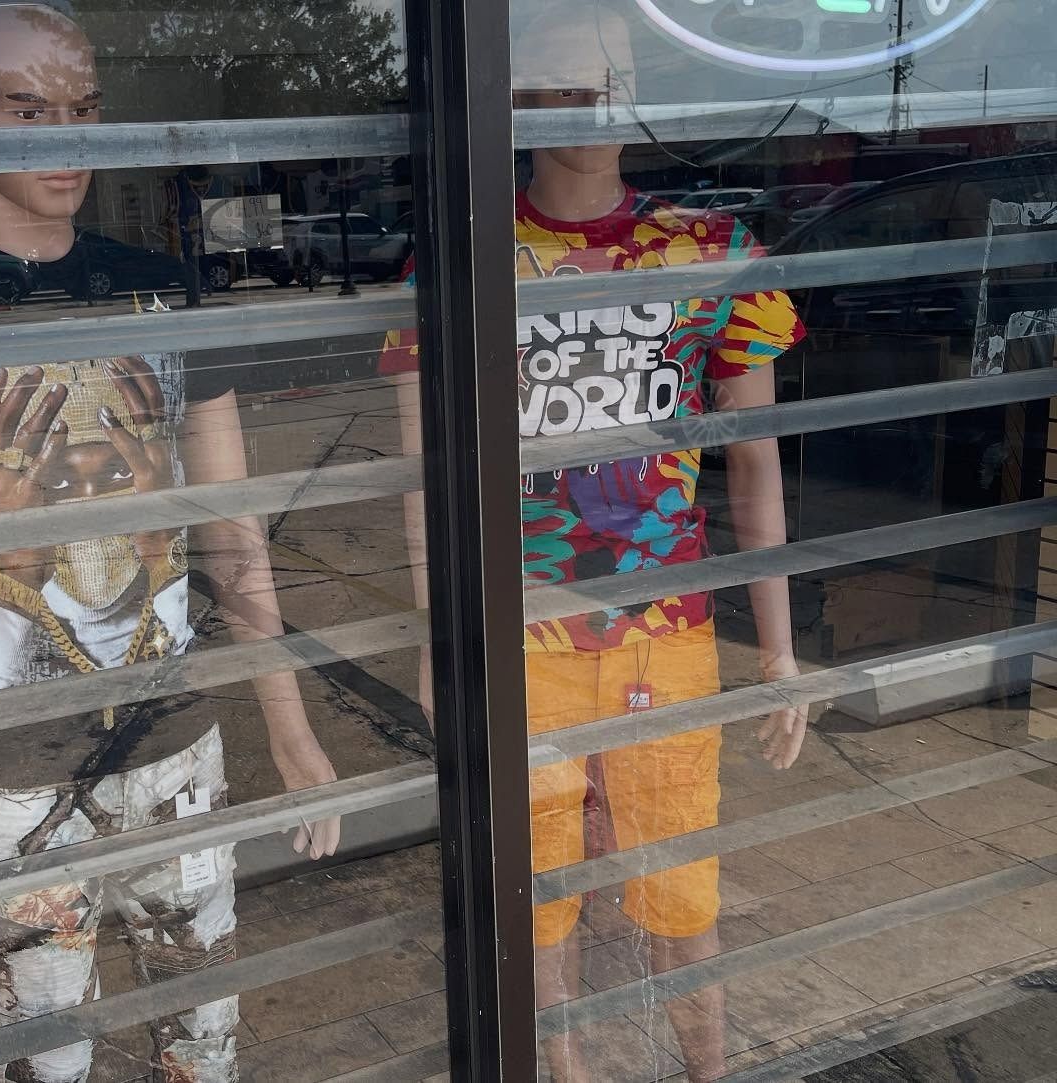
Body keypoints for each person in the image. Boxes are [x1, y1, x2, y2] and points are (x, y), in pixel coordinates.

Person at [0, 6, 340, 1081]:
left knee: (206, 1042)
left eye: (84, 109)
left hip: (180, 752)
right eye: (28, 108)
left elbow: (234, 535)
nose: (66, 137)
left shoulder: (161, 291)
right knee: (47, 1063)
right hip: (4, 785)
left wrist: (289, 728)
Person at [385, 5, 810, 1080]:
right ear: (514, 97)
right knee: (536, 915)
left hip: (666, 637)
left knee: (682, 895)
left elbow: (752, 463)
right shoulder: (458, 255)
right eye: (561, 83)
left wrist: (780, 648)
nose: (586, 106)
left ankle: (708, 1068)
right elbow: (421, 483)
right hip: (518, 641)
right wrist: (440, 647)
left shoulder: (711, 256)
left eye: (605, 82)